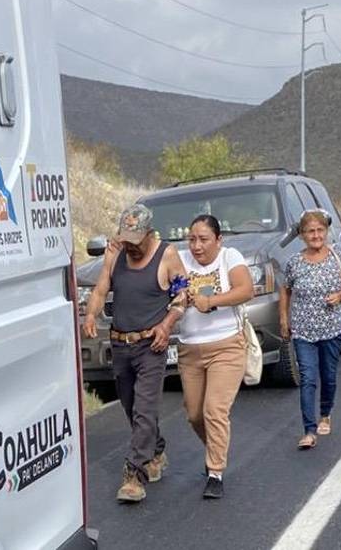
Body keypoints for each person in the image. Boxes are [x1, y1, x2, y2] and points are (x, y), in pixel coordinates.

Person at [83, 203, 188, 503]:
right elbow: (101, 289)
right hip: (120, 344)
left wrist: (166, 325)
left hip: (151, 345)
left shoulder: (166, 255)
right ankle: (154, 450)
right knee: (130, 406)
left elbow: (182, 297)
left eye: (136, 239)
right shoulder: (115, 253)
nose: (131, 245)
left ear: (149, 233)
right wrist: (92, 315)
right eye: (126, 237)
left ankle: (134, 474)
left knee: (144, 408)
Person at [176, 214, 254, 499]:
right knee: (195, 414)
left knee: (214, 410)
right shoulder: (181, 259)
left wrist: (211, 301)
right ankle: (216, 450)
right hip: (189, 348)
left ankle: (215, 472)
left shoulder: (229, 257)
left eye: (204, 239)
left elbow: (246, 290)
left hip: (226, 346)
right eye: (192, 239)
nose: (197, 246)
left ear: (218, 240)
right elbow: (170, 286)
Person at [278, 209, 341, 449]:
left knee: (329, 376)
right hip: (303, 331)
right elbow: (285, 289)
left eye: (319, 230)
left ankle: (325, 413)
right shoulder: (294, 262)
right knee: (308, 378)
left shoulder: (338, 257)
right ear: (302, 235)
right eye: (310, 231)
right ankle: (309, 430)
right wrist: (284, 318)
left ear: (326, 232)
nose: (315, 235)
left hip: (331, 329)